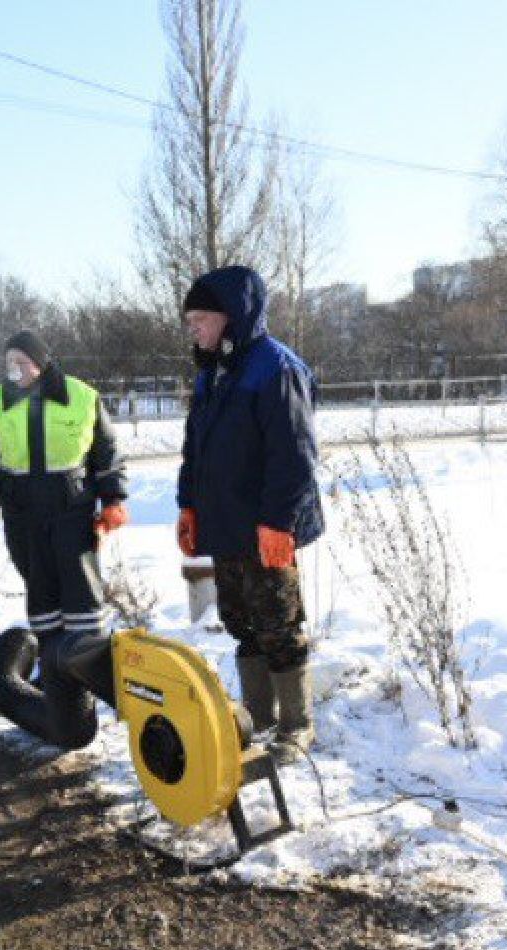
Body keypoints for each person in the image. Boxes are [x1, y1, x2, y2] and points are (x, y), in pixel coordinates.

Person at [176, 265, 323, 764]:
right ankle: (258, 717)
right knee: (241, 619)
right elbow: (193, 448)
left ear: (230, 317)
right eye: (189, 319)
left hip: (266, 527)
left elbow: (295, 455)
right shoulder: (212, 372)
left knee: (279, 623)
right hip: (225, 523)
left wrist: (279, 522)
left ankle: (297, 725)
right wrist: (187, 503)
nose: (193, 328)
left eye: (200, 318)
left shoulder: (275, 368)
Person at [0, 331, 127, 647]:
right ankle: (52, 665)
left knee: (80, 584)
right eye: (8, 362)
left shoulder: (82, 397)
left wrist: (113, 500)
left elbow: (107, 453)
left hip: (72, 507)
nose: (13, 369)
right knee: (40, 589)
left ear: (39, 363)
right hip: (21, 511)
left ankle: (87, 659)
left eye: (20, 361)